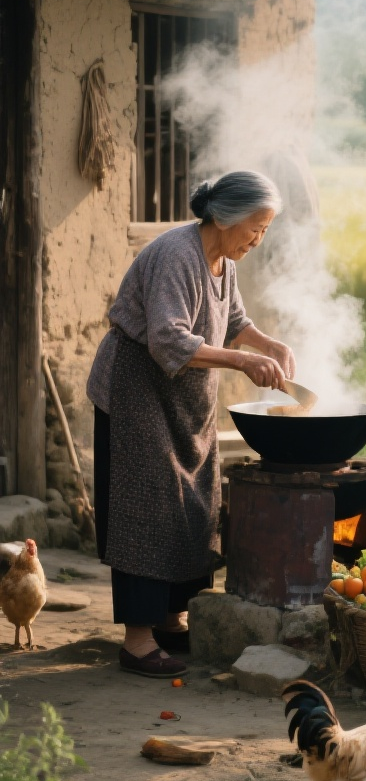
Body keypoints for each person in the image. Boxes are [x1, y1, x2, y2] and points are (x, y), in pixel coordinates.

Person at [87, 170, 295, 677]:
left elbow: (236, 320)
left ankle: (171, 619)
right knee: (149, 506)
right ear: (223, 217)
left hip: (182, 398)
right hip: (137, 387)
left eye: (265, 230)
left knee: (194, 502)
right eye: (255, 227)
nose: (258, 239)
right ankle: (136, 643)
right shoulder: (176, 254)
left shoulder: (223, 259)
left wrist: (269, 346)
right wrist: (243, 363)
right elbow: (168, 341)